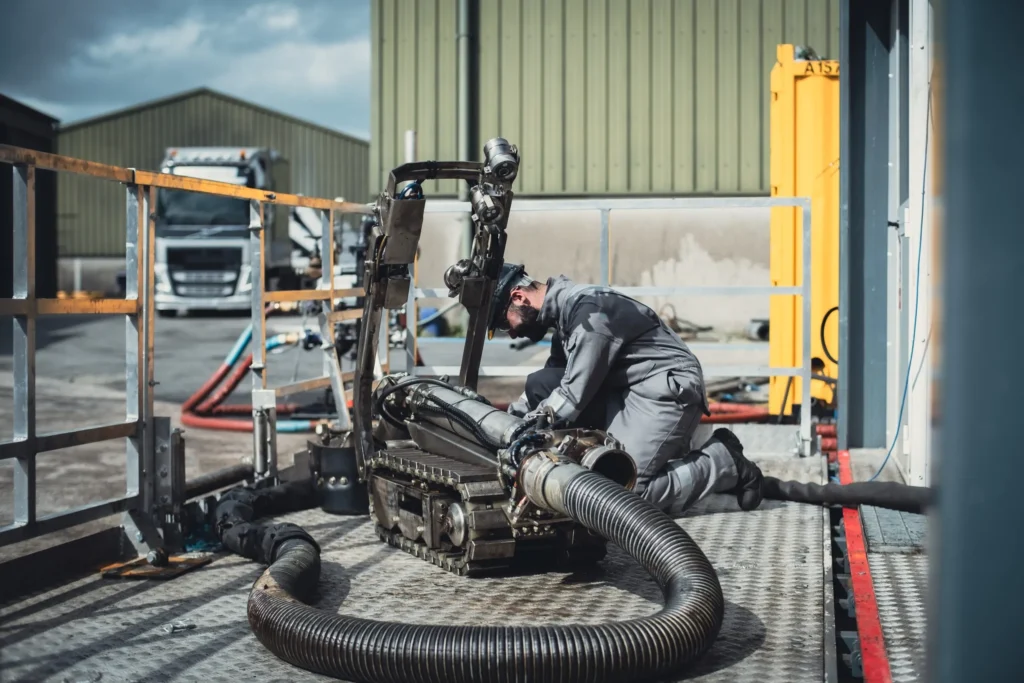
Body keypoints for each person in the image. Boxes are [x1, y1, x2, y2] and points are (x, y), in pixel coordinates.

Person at [492, 263, 765, 515]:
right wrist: (504, 422)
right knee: (541, 382)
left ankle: (723, 461)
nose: (512, 333)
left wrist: (522, 430)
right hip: (627, 391)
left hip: (663, 393)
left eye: (505, 324)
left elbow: (571, 396)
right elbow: (552, 382)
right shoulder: (566, 315)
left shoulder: (589, 316)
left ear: (519, 297)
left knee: (624, 494)